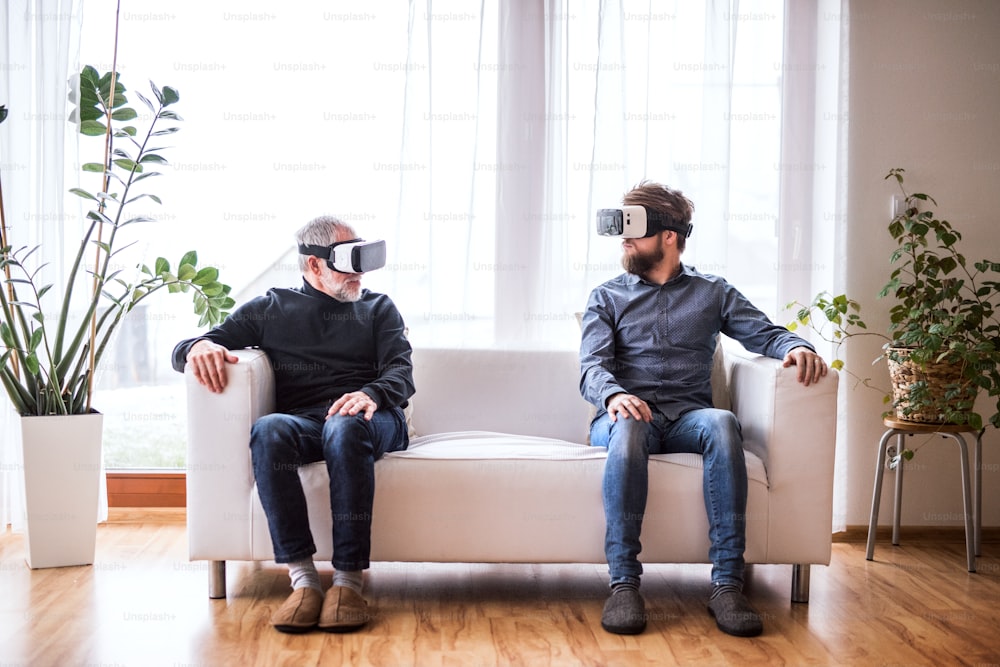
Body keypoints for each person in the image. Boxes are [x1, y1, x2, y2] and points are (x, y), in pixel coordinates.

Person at [579, 182, 828, 638]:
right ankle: (624, 584)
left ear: (669, 236)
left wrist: (796, 344)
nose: (624, 240)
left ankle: (728, 586)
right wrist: (615, 396)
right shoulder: (606, 297)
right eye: (622, 229)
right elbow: (591, 368)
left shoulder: (713, 292)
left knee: (722, 422)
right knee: (631, 426)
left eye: (634, 228)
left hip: (688, 417)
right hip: (622, 420)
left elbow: (765, 333)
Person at [172, 216, 414, 634]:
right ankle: (303, 581)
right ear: (314, 265)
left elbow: (402, 373)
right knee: (268, 430)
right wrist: (201, 346)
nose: (359, 272)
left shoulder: (379, 308)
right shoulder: (272, 308)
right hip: (307, 421)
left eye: (362, 260)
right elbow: (185, 349)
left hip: (373, 417)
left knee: (345, 424)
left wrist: (371, 394)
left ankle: (347, 583)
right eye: (348, 261)